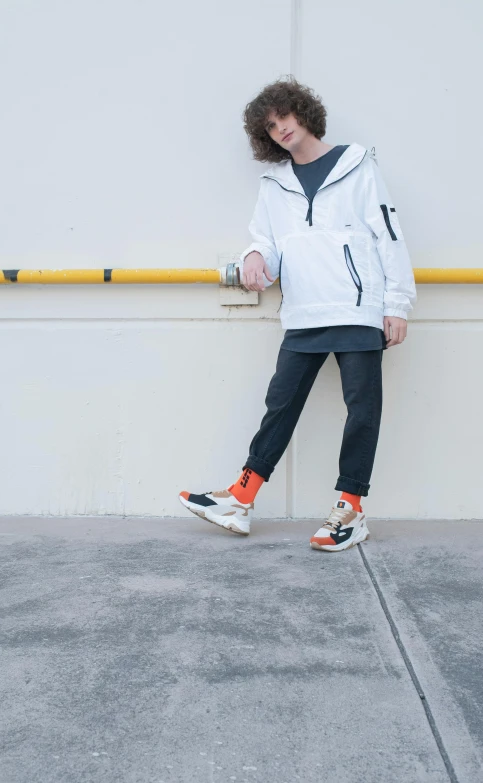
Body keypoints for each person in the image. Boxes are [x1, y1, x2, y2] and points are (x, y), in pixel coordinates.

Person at [179, 77, 416, 551]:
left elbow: (388, 234)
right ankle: (241, 498)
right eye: (269, 126)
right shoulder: (275, 184)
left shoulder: (357, 166)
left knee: (362, 411)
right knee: (280, 405)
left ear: (303, 112)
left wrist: (397, 305)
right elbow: (267, 241)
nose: (279, 128)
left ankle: (350, 508)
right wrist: (253, 257)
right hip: (304, 312)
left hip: (357, 308)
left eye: (283, 116)